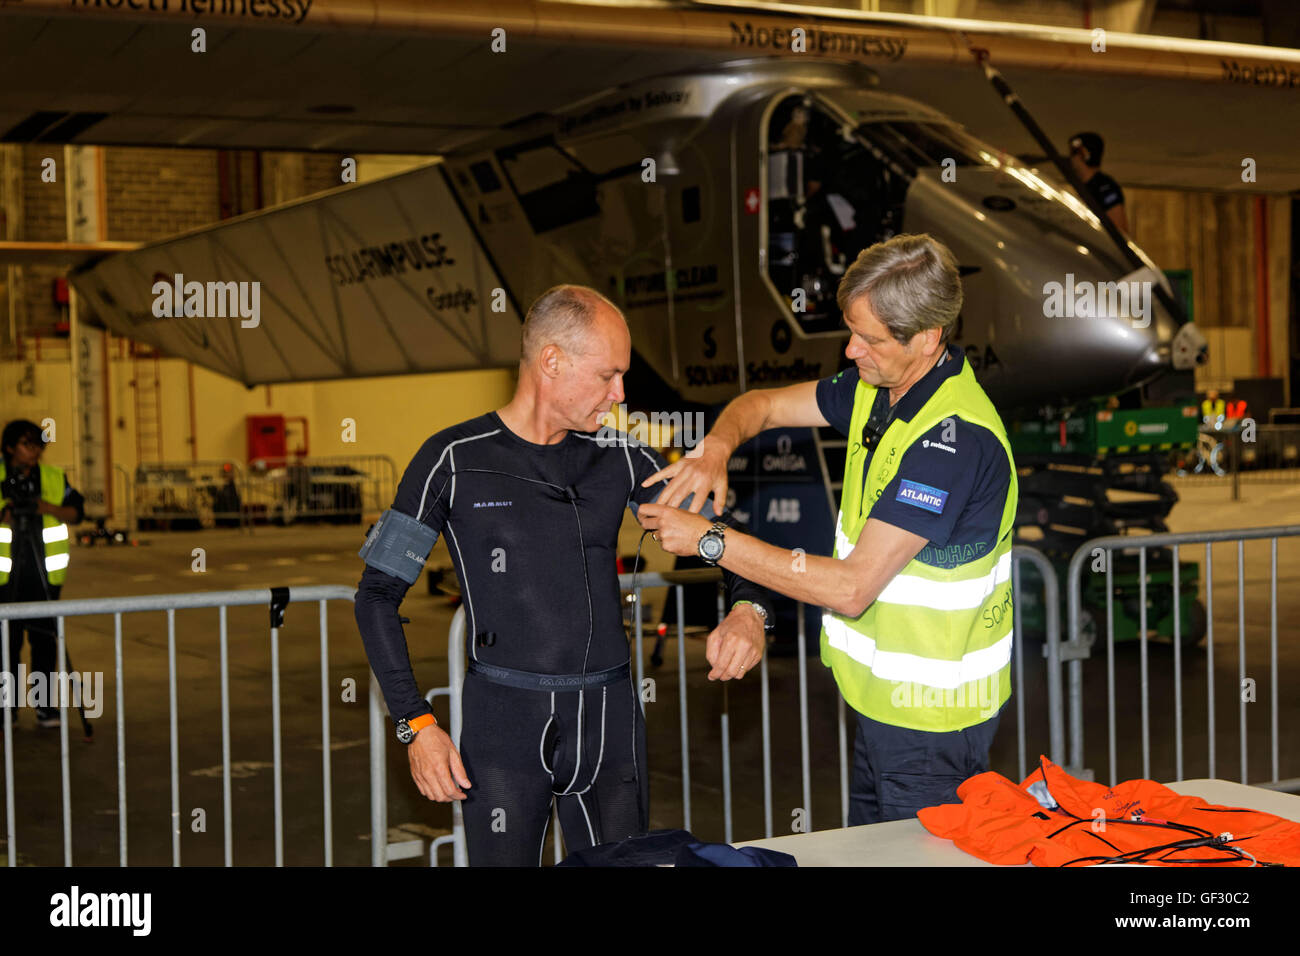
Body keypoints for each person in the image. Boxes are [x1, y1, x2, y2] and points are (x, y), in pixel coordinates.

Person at [354, 285, 772, 866]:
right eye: (608, 375)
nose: (621, 394)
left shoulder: (621, 456)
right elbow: (376, 595)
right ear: (551, 361)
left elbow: (724, 539)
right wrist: (415, 723)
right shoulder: (452, 458)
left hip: (610, 728)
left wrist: (749, 610)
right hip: (504, 729)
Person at [638, 234, 1018, 826]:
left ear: (926, 338)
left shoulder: (952, 440)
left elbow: (851, 588)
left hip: (931, 728)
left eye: (869, 338)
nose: (850, 350)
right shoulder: (881, 390)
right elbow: (760, 406)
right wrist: (715, 448)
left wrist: (710, 541)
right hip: (879, 707)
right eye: (851, 329)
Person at [0, 420, 84, 729]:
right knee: (5, 647)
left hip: (43, 576)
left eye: (38, 444)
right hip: (4, 580)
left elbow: (77, 513)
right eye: (26, 443)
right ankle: (5, 710)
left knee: (45, 643)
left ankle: (46, 708)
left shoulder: (51, 477)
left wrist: (47, 507)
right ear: (9, 447)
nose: (34, 450)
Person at [1068, 131, 1128, 233]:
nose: (1071, 159)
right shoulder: (1084, 185)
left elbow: (1119, 229)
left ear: (1084, 154)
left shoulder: (1106, 187)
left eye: (1073, 154)